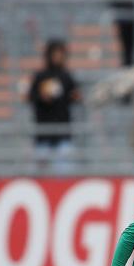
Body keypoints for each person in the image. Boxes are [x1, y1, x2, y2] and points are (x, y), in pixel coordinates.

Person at [27, 40, 79, 169]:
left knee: (65, 172)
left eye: (60, 54)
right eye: (55, 54)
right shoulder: (40, 76)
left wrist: (74, 97)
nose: (58, 57)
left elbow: (75, 96)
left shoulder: (67, 77)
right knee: (41, 174)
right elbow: (30, 97)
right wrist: (42, 97)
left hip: (63, 133)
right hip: (43, 133)